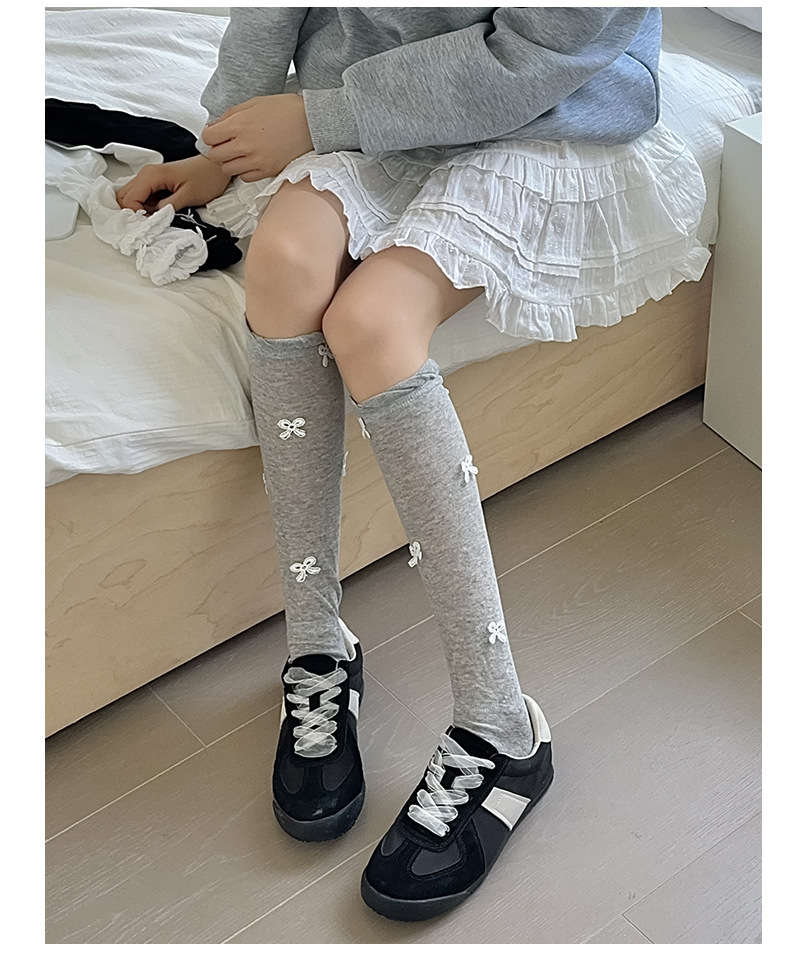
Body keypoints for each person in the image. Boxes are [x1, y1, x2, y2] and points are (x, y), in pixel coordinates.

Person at [116, 7, 705, 922]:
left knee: (371, 322)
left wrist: (322, 116)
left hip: (538, 107)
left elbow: (543, 51)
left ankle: (504, 726)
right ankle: (318, 643)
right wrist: (223, 148)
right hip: (367, 96)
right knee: (283, 263)